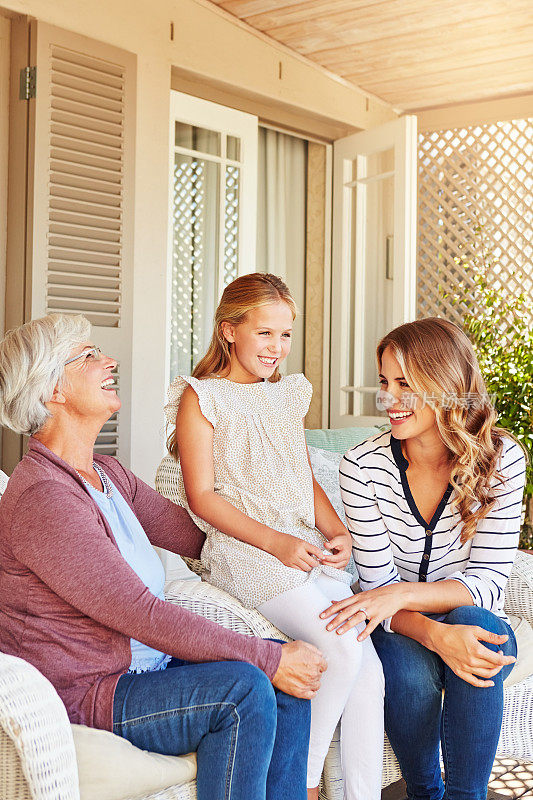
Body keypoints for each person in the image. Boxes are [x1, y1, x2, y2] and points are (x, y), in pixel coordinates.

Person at [0, 313, 326, 800]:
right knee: (245, 689)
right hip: (90, 690)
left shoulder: (108, 475)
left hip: (144, 671)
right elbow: (139, 612)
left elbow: (203, 541)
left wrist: (287, 539)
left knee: (285, 687)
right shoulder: (44, 497)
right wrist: (268, 655)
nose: (109, 361)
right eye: (88, 356)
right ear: (53, 391)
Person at [166, 273, 385, 800]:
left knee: (371, 674)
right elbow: (203, 497)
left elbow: (299, 473)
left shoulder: (287, 394)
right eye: (264, 333)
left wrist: (337, 529)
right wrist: (276, 543)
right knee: (340, 647)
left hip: (300, 544)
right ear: (229, 332)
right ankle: (303, 785)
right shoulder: (202, 399)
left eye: (285, 335)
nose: (277, 347)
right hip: (246, 551)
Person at [321, 318, 526, 800]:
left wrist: (402, 594)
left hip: (457, 611)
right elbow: (376, 592)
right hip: (398, 627)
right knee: (409, 671)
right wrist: (433, 631)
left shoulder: (502, 457)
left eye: (407, 385)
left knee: (478, 626)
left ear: (447, 385)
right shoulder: (363, 466)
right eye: (385, 384)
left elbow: (490, 581)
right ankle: (423, 792)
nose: (390, 400)